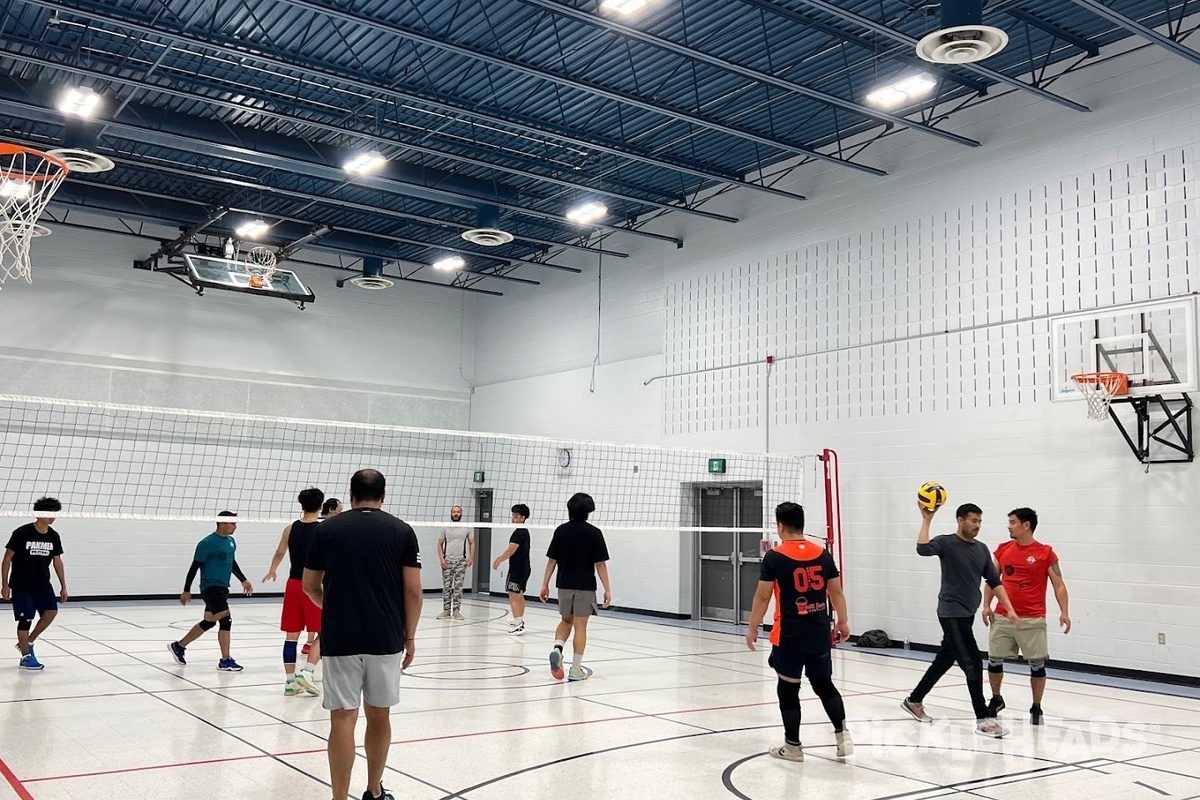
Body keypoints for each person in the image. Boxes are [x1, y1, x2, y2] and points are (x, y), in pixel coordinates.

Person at [303, 469, 422, 800]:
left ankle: (339, 798)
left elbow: (310, 586)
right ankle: (373, 791)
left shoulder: (327, 531)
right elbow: (413, 592)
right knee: (379, 715)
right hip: (385, 637)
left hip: (340, 636)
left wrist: (336, 606)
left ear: (351, 495)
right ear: (383, 496)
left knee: (342, 719)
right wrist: (409, 636)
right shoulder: (402, 531)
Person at [901, 503, 1020, 738]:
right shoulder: (947, 543)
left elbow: (994, 581)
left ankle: (914, 700)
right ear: (960, 520)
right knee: (973, 662)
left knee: (945, 659)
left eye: (979, 521)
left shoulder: (982, 549)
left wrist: (1010, 609)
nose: (977, 525)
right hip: (950, 611)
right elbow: (922, 549)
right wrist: (927, 519)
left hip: (967, 613)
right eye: (973, 520)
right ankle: (984, 719)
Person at [746, 502, 852, 761]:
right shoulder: (823, 554)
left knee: (788, 689)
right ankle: (843, 736)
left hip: (789, 635)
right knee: (824, 684)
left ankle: (793, 747)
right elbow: (835, 591)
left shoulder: (775, 557)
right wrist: (843, 621)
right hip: (818, 632)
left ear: (780, 526)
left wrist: (752, 628)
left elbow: (762, 596)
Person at [982, 507, 1071, 725]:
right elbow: (992, 580)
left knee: (1037, 664)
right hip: (1003, 616)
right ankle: (996, 698)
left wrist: (1064, 612)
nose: (1008, 526)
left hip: (1032, 617)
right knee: (994, 660)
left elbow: (1058, 584)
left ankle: (1036, 706)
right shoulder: (1003, 550)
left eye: (1012, 522)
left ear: (1026, 525)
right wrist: (986, 605)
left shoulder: (1045, 553)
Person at [168, 511, 253, 671]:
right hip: (210, 587)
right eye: (232, 523)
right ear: (222, 524)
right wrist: (186, 590)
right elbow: (194, 567)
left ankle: (179, 646)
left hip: (222, 587)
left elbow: (231, 562)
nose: (235, 526)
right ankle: (225, 660)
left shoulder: (231, 541)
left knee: (209, 621)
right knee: (225, 619)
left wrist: (243, 579)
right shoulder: (207, 543)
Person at [539, 493, 611, 682]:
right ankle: (576, 669)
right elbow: (600, 564)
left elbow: (551, 561)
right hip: (585, 586)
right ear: (588, 511)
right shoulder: (594, 533)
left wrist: (545, 584)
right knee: (580, 626)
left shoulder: (560, 531)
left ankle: (557, 649)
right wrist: (607, 589)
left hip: (563, 585)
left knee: (566, 621)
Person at [263, 487, 325, 696]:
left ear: (302, 505)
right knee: (325, 632)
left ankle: (290, 682)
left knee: (291, 637)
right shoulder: (323, 529)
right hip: (315, 585)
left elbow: (280, 552)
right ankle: (307, 672)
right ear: (321, 505)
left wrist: (272, 570)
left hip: (293, 584)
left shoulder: (290, 528)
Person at [2, 497, 68, 671]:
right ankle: (25, 657)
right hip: (21, 584)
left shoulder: (53, 536)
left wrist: (63, 586)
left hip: (42, 584)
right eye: (49, 513)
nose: (53, 517)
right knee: (26, 619)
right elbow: (7, 558)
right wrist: (4, 584)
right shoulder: (22, 533)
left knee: (51, 611)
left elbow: (57, 562)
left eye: (55, 513)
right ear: (39, 513)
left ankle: (28, 641)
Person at [491, 504, 532, 635]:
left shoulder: (519, 532)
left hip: (518, 569)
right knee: (518, 594)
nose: (513, 518)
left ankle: (519, 624)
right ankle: (518, 619)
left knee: (514, 594)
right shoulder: (522, 531)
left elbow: (510, 550)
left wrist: (498, 560)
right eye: (513, 515)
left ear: (523, 517)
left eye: (516, 515)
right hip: (523, 568)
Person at [437, 506, 473, 621]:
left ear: (461, 514)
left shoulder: (467, 527)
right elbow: (439, 544)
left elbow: (472, 543)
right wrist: (442, 559)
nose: (456, 514)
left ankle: (456, 611)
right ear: (451, 514)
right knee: (446, 587)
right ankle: (446, 610)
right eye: (454, 512)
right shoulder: (445, 527)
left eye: (458, 512)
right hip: (447, 561)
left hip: (461, 561)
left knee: (458, 587)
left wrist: (471, 557)